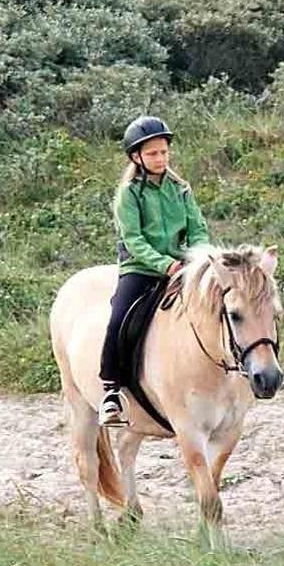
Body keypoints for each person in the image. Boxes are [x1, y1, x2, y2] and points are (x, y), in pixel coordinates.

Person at [98, 114, 211, 429]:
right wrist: (166, 264)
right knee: (119, 318)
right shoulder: (129, 194)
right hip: (141, 267)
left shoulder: (181, 189)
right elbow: (134, 241)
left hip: (182, 266)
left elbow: (198, 229)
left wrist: (196, 259)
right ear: (137, 157)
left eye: (163, 152)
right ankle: (111, 390)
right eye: (152, 154)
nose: (160, 158)